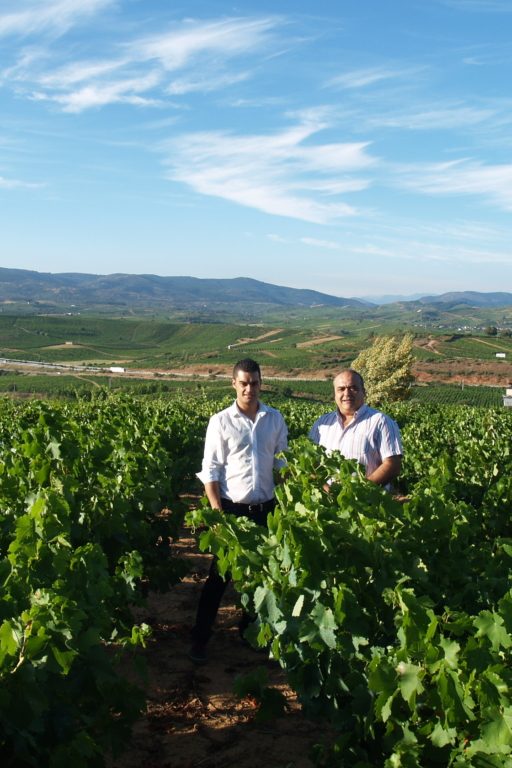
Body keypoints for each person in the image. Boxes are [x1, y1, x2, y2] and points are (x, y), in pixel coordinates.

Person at [190, 358, 288, 664]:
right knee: (219, 577)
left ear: (261, 383)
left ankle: (249, 632)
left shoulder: (274, 419)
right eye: (243, 383)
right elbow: (211, 472)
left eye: (255, 382)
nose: (249, 388)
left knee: (260, 576)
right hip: (232, 511)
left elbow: (282, 466)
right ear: (234, 384)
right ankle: (200, 639)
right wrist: (218, 513)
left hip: (267, 510)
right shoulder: (221, 421)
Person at [309, 368, 402, 489]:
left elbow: (392, 464)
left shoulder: (380, 421)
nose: (347, 393)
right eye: (341, 389)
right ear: (334, 394)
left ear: (364, 392)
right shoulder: (321, 424)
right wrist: (326, 491)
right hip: (327, 502)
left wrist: (360, 492)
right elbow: (311, 462)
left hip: (368, 503)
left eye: (353, 388)